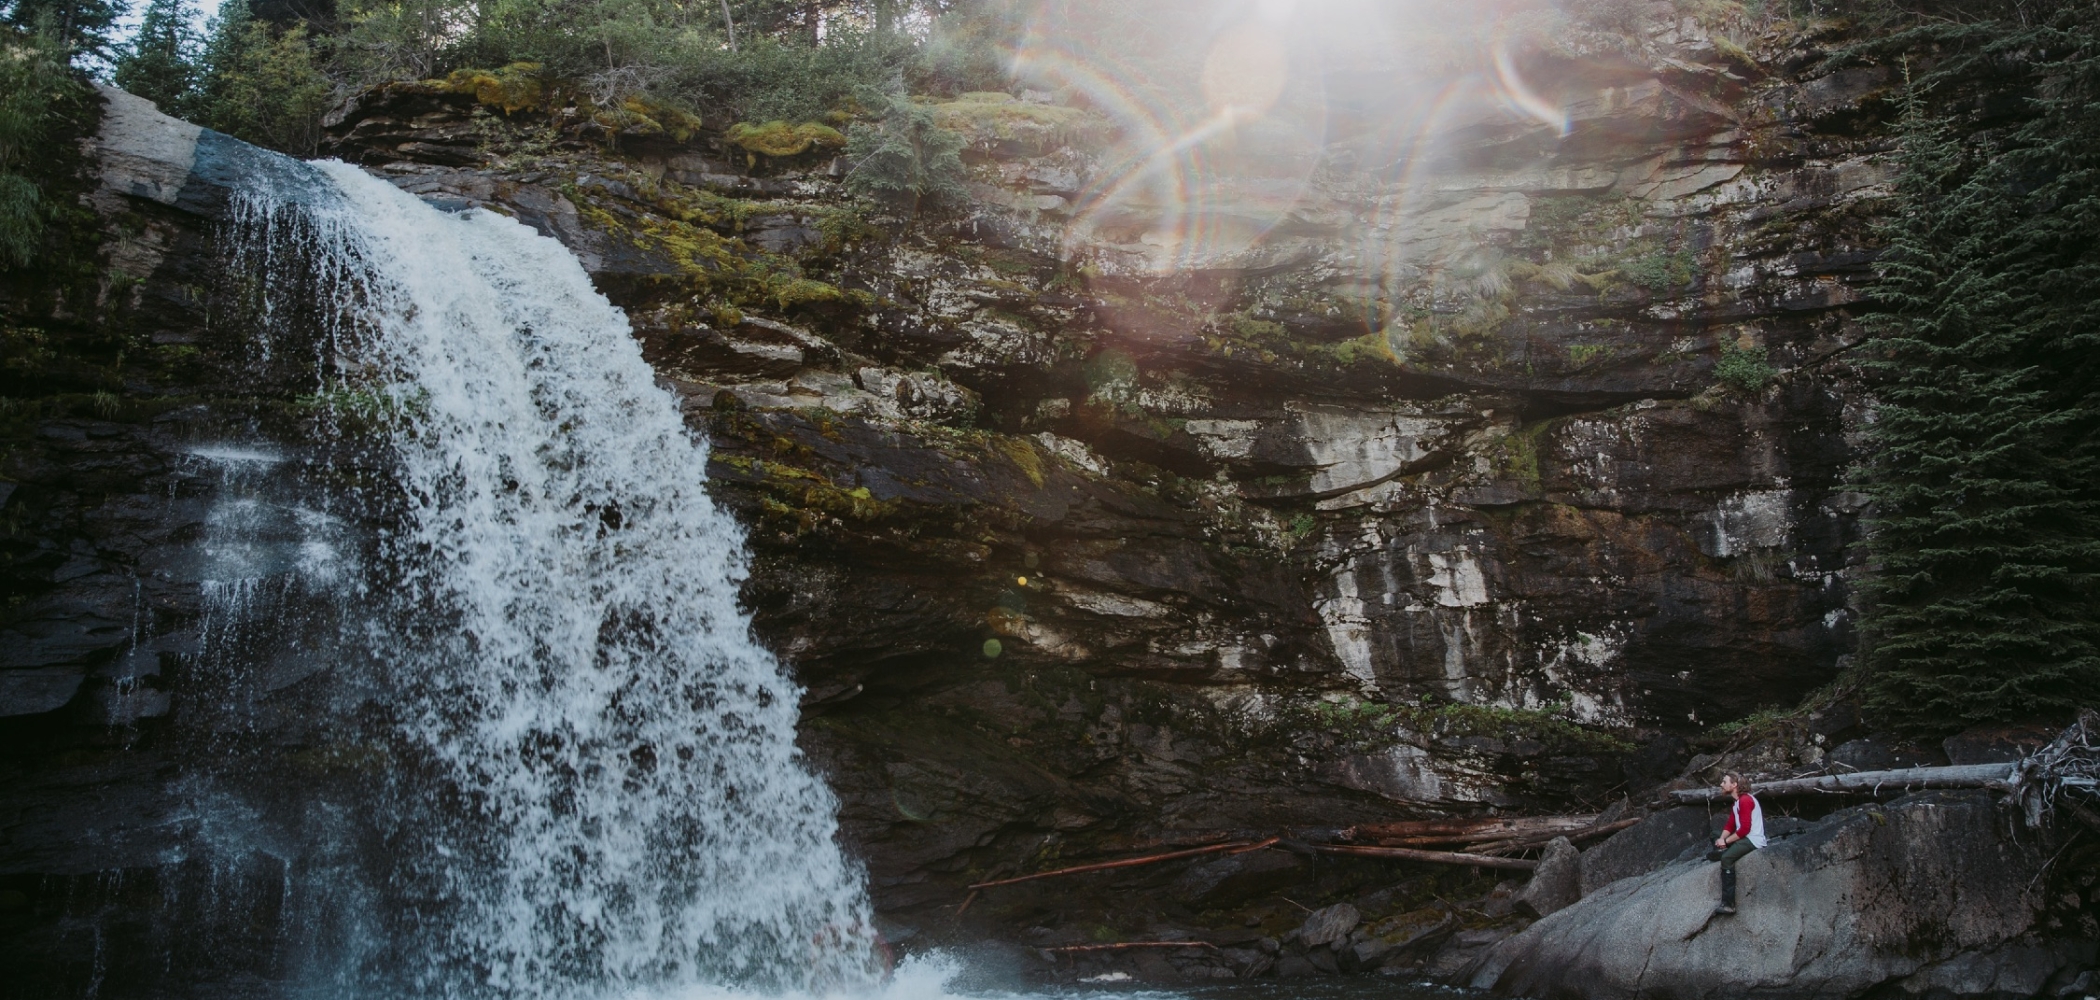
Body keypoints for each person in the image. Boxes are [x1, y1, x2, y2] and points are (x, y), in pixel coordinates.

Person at [1705, 771, 1764, 915]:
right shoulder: (1738, 802)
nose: (1721, 784)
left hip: (1752, 839)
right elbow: (1730, 825)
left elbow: (1744, 829)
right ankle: (1721, 850)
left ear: (1734, 784)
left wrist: (1725, 841)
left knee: (1727, 859)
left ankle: (1728, 904)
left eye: (1724, 782)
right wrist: (1721, 840)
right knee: (1715, 834)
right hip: (1743, 837)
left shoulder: (1745, 801)